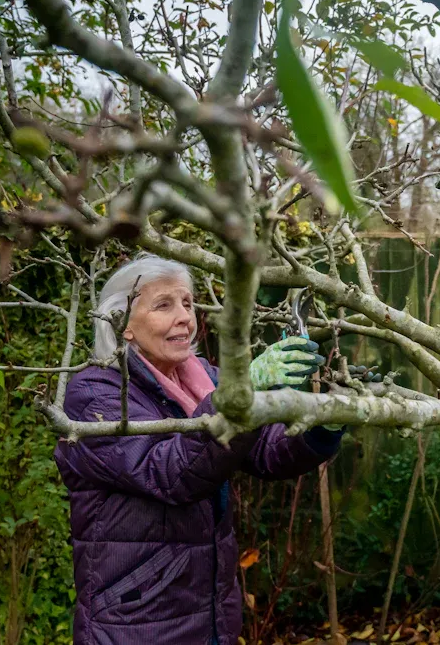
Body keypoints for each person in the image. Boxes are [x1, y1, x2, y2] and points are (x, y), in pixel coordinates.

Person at [57, 254, 342, 645]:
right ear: (121, 325)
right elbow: (169, 473)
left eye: (188, 303)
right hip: (136, 618)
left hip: (209, 609)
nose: (185, 318)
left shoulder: (204, 379)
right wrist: (244, 389)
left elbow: (265, 452)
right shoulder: (96, 394)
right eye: (163, 305)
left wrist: (327, 422)